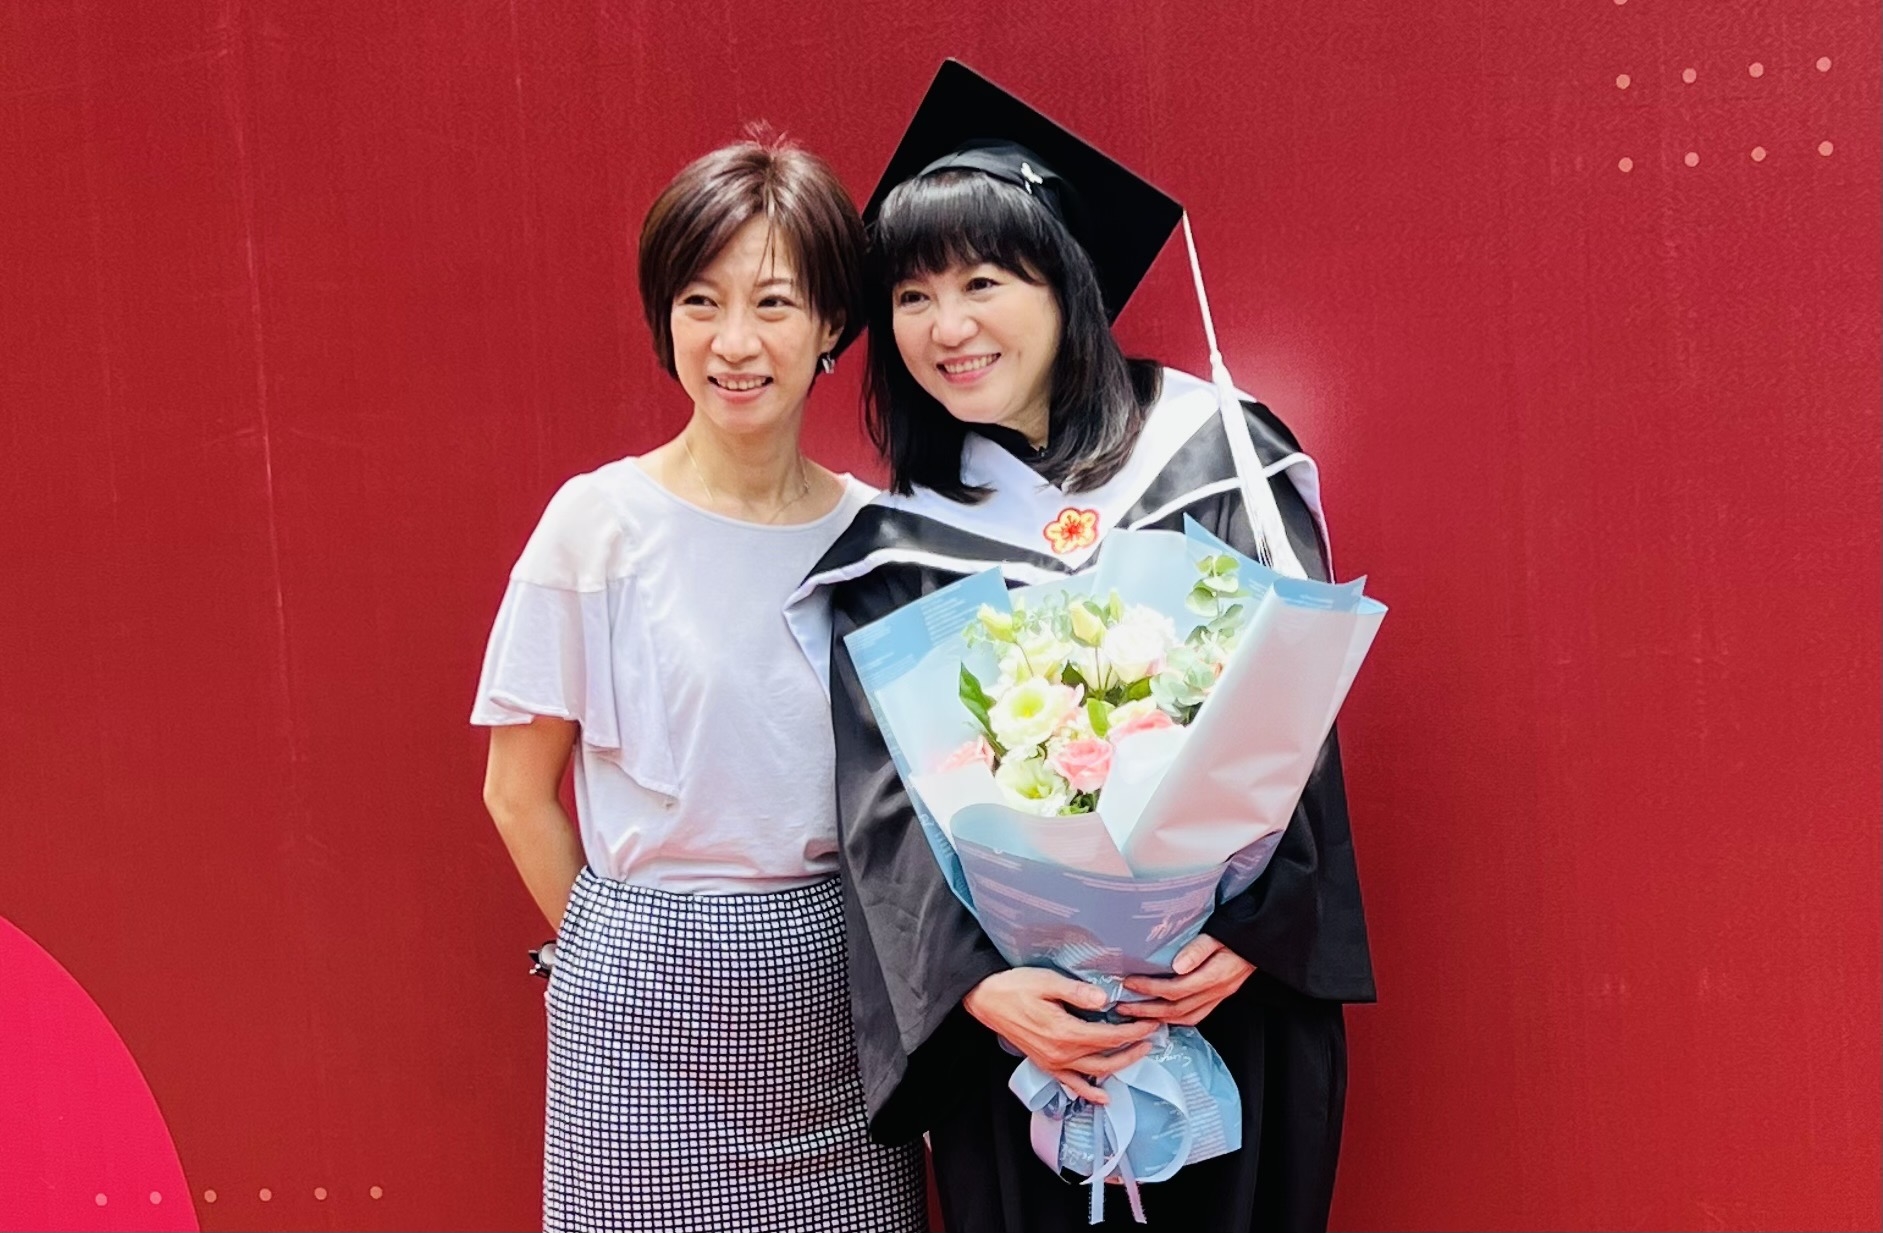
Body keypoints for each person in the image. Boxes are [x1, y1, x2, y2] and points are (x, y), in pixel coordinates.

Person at [788, 62, 1375, 1231]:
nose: (947, 327)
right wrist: (982, 988)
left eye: (981, 281)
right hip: (1027, 1046)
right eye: (910, 296)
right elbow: (884, 815)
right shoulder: (897, 547)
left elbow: (1292, 726)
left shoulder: (1215, 457)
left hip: (1214, 1000)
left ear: (1064, 282)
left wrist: (1254, 933)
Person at [471, 135, 924, 1233]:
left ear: (831, 323)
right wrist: (615, 953)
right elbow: (515, 791)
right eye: (699, 302)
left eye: (773, 303)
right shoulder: (598, 524)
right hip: (640, 1012)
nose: (733, 343)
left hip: (840, 999)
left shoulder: (879, 539)